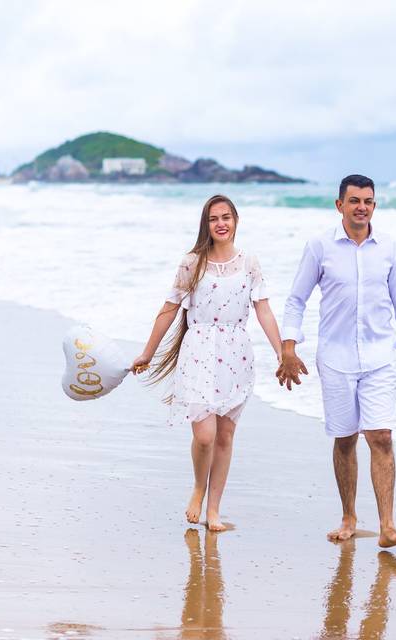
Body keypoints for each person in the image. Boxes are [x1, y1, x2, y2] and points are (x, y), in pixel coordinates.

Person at [276, 174, 396, 548]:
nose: (362, 207)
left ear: (375, 205)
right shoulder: (319, 246)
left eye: (369, 201)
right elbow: (297, 299)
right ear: (339, 204)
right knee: (344, 440)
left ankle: (388, 526)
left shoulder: (390, 248)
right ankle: (348, 516)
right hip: (335, 357)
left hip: (379, 356)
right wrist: (288, 347)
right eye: (355, 200)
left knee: (381, 436)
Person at [132, 194, 282, 531]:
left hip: (236, 352)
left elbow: (264, 310)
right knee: (204, 435)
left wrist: (282, 352)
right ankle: (199, 488)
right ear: (207, 224)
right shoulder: (191, 263)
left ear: (236, 220)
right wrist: (147, 352)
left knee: (225, 436)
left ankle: (214, 510)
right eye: (214, 219)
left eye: (226, 217)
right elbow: (169, 309)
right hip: (198, 350)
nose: (221, 224)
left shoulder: (249, 264)